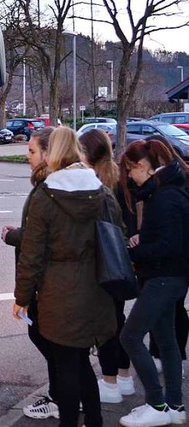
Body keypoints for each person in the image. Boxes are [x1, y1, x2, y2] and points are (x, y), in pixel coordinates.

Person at [14, 126, 119, 427]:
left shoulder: (45, 197)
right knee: (82, 361)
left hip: (58, 294)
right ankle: (95, 421)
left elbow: (31, 254)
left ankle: (69, 422)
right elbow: (117, 237)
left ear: (54, 154)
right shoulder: (103, 193)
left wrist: (21, 297)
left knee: (66, 365)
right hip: (96, 291)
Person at [117, 139, 189, 427]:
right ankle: (174, 405)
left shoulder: (164, 197)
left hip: (162, 277)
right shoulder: (171, 191)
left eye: (130, 170)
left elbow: (168, 244)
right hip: (171, 277)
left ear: (144, 167)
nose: (130, 177)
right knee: (166, 340)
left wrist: (133, 251)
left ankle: (157, 405)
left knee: (130, 337)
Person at [1, 126, 61, 420]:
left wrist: (14, 236)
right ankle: (62, 393)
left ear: (48, 154)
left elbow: (39, 240)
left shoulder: (48, 188)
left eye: (32, 151)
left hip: (46, 280)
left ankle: (62, 396)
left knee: (45, 337)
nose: (28, 156)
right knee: (46, 337)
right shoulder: (48, 184)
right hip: (49, 279)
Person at [79, 129, 135, 404]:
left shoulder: (95, 183)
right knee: (119, 321)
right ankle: (125, 378)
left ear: (88, 153)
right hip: (121, 260)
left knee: (106, 327)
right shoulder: (119, 175)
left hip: (103, 261)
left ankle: (110, 382)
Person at [143, 135, 189, 377]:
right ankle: (171, 357)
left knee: (169, 310)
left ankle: (170, 358)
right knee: (172, 309)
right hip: (177, 257)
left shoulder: (169, 186)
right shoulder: (179, 175)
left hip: (173, 259)